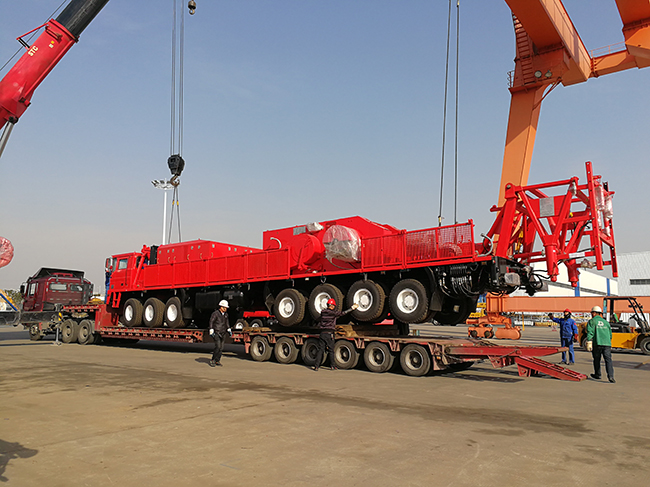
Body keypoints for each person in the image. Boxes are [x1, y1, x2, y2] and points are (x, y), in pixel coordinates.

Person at [313, 298, 358, 371]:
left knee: (320, 350)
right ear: (332, 306)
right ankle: (332, 366)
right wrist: (351, 308)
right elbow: (342, 313)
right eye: (333, 306)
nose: (334, 307)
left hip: (322, 333)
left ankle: (316, 366)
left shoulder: (323, 312)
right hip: (329, 333)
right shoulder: (332, 313)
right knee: (331, 350)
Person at [586, 305, 615, 383]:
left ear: (594, 313)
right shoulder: (606, 322)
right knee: (608, 360)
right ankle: (611, 376)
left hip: (597, 343)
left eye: (592, 313)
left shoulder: (592, 321)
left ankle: (598, 374)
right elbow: (610, 334)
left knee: (597, 359)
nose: (591, 314)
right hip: (607, 344)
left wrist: (589, 341)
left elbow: (590, 332)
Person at [208, 300, 231, 367]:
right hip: (217, 332)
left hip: (223, 332)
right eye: (224, 307)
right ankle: (213, 360)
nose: (225, 309)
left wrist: (228, 329)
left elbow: (227, 323)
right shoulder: (215, 314)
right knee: (218, 346)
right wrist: (211, 329)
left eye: (226, 308)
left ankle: (217, 360)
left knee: (221, 348)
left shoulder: (226, 315)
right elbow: (211, 321)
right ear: (221, 307)